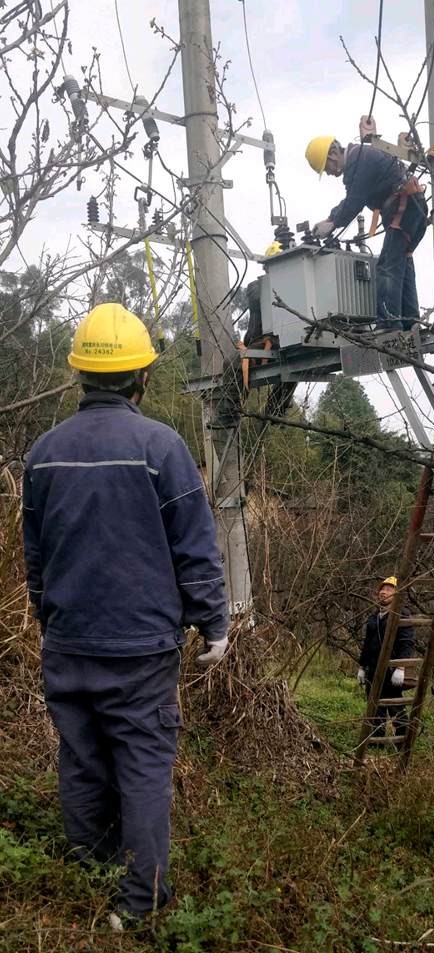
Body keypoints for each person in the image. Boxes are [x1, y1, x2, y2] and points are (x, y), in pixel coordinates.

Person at [22, 303, 228, 931]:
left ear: (80, 375)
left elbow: (36, 558)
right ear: (140, 378)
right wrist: (213, 624)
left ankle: (90, 880)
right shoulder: (160, 447)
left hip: (68, 642)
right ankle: (140, 905)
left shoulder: (43, 453)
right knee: (141, 768)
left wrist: (48, 619)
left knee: (82, 761)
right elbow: (194, 548)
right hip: (140, 651)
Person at [305, 118, 428, 331]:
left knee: (387, 266)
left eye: (328, 167)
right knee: (401, 263)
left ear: (333, 154)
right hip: (411, 209)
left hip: (403, 209)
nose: (332, 173)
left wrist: (333, 223)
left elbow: (355, 201)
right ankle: (410, 321)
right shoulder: (362, 157)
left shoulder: (359, 160)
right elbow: (352, 198)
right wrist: (330, 218)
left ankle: (389, 323)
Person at [357, 576, 415, 743]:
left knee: (395, 706)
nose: (383, 592)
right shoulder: (374, 616)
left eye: (389, 589)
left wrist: (401, 667)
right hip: (373, 669)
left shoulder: (401, 615)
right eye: (382, 589)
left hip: (391, 670)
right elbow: (367, 644)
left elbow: (407, 642)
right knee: (375, 706)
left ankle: (403, 742)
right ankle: (377, 743)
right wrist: (362, 667)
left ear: (396, 594)